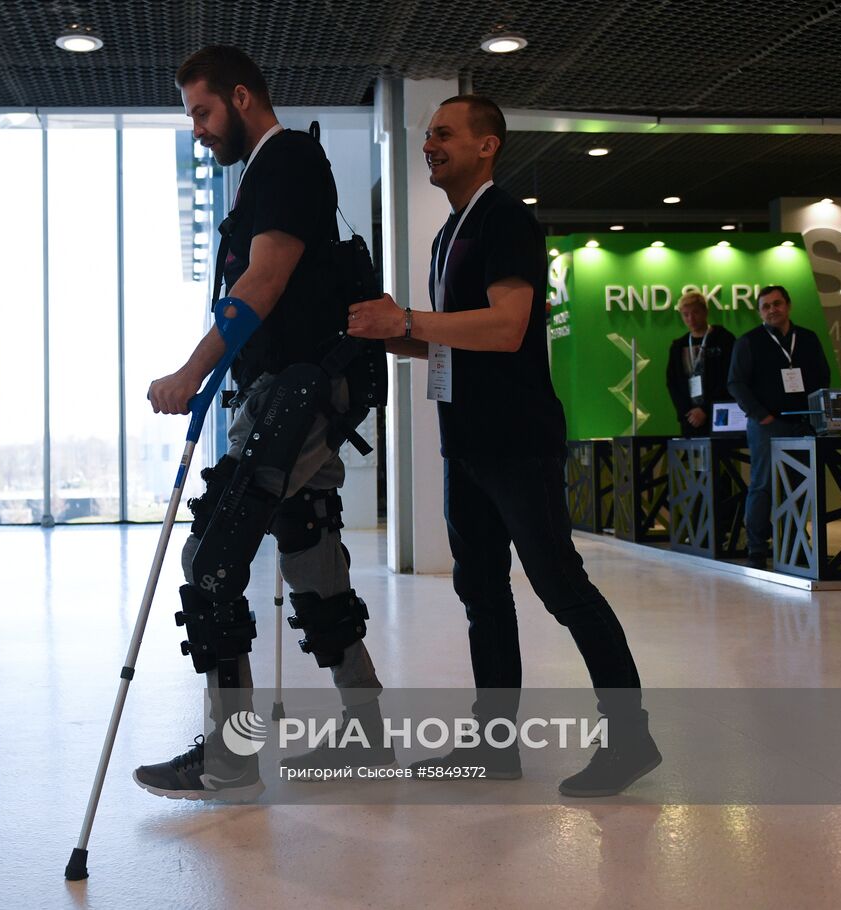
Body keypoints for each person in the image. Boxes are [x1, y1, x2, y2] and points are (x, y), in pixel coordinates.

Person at [345, 94, 659, 797]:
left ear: (487, 145)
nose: (430, 142)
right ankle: (494, 745)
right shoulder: (448, 233)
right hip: (467, 443)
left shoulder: (507, 220)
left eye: (444, 133)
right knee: (481, 593)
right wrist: (384, 333)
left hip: (517, 443)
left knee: (561, 586)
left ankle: (631, 738)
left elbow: (509, 327)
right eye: (426, 133)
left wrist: (413, 318)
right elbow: (452, 342)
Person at [131, 45, 389, 801]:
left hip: (295, 397)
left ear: (242, 98)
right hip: (292, 394)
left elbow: (264, 280)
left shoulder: (287, 163)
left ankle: (229, 755)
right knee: (309, 550)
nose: (198, 130)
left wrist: (191, 370)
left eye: (203, 113)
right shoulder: (267, 174)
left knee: (210, 561)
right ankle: (367, 734)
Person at [727, 285, 831, 569]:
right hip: (767, 426)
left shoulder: (807, 339)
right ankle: (757, 548)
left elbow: (823, 377)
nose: (772, 310)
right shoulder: (749, 341)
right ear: (760, 312)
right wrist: (761, 415)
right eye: (766, 306)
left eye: (777, 304)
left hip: (803, 424)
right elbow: (735, 383)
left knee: (799, 487)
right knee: (763, 486)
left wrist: (816, 418)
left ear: (788, 305)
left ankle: (797, 544)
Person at [666, 291, 736, 437]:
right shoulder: (678, 346)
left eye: (695, 312)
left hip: (719, 413)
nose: (691, 318)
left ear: (705, 312)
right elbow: (673, 383)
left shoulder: (724, 339)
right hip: (690, 418)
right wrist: (687, 411)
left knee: (722, 456)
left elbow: (729, 377)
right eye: (685, 314)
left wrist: (705, 409)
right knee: (692, 457)